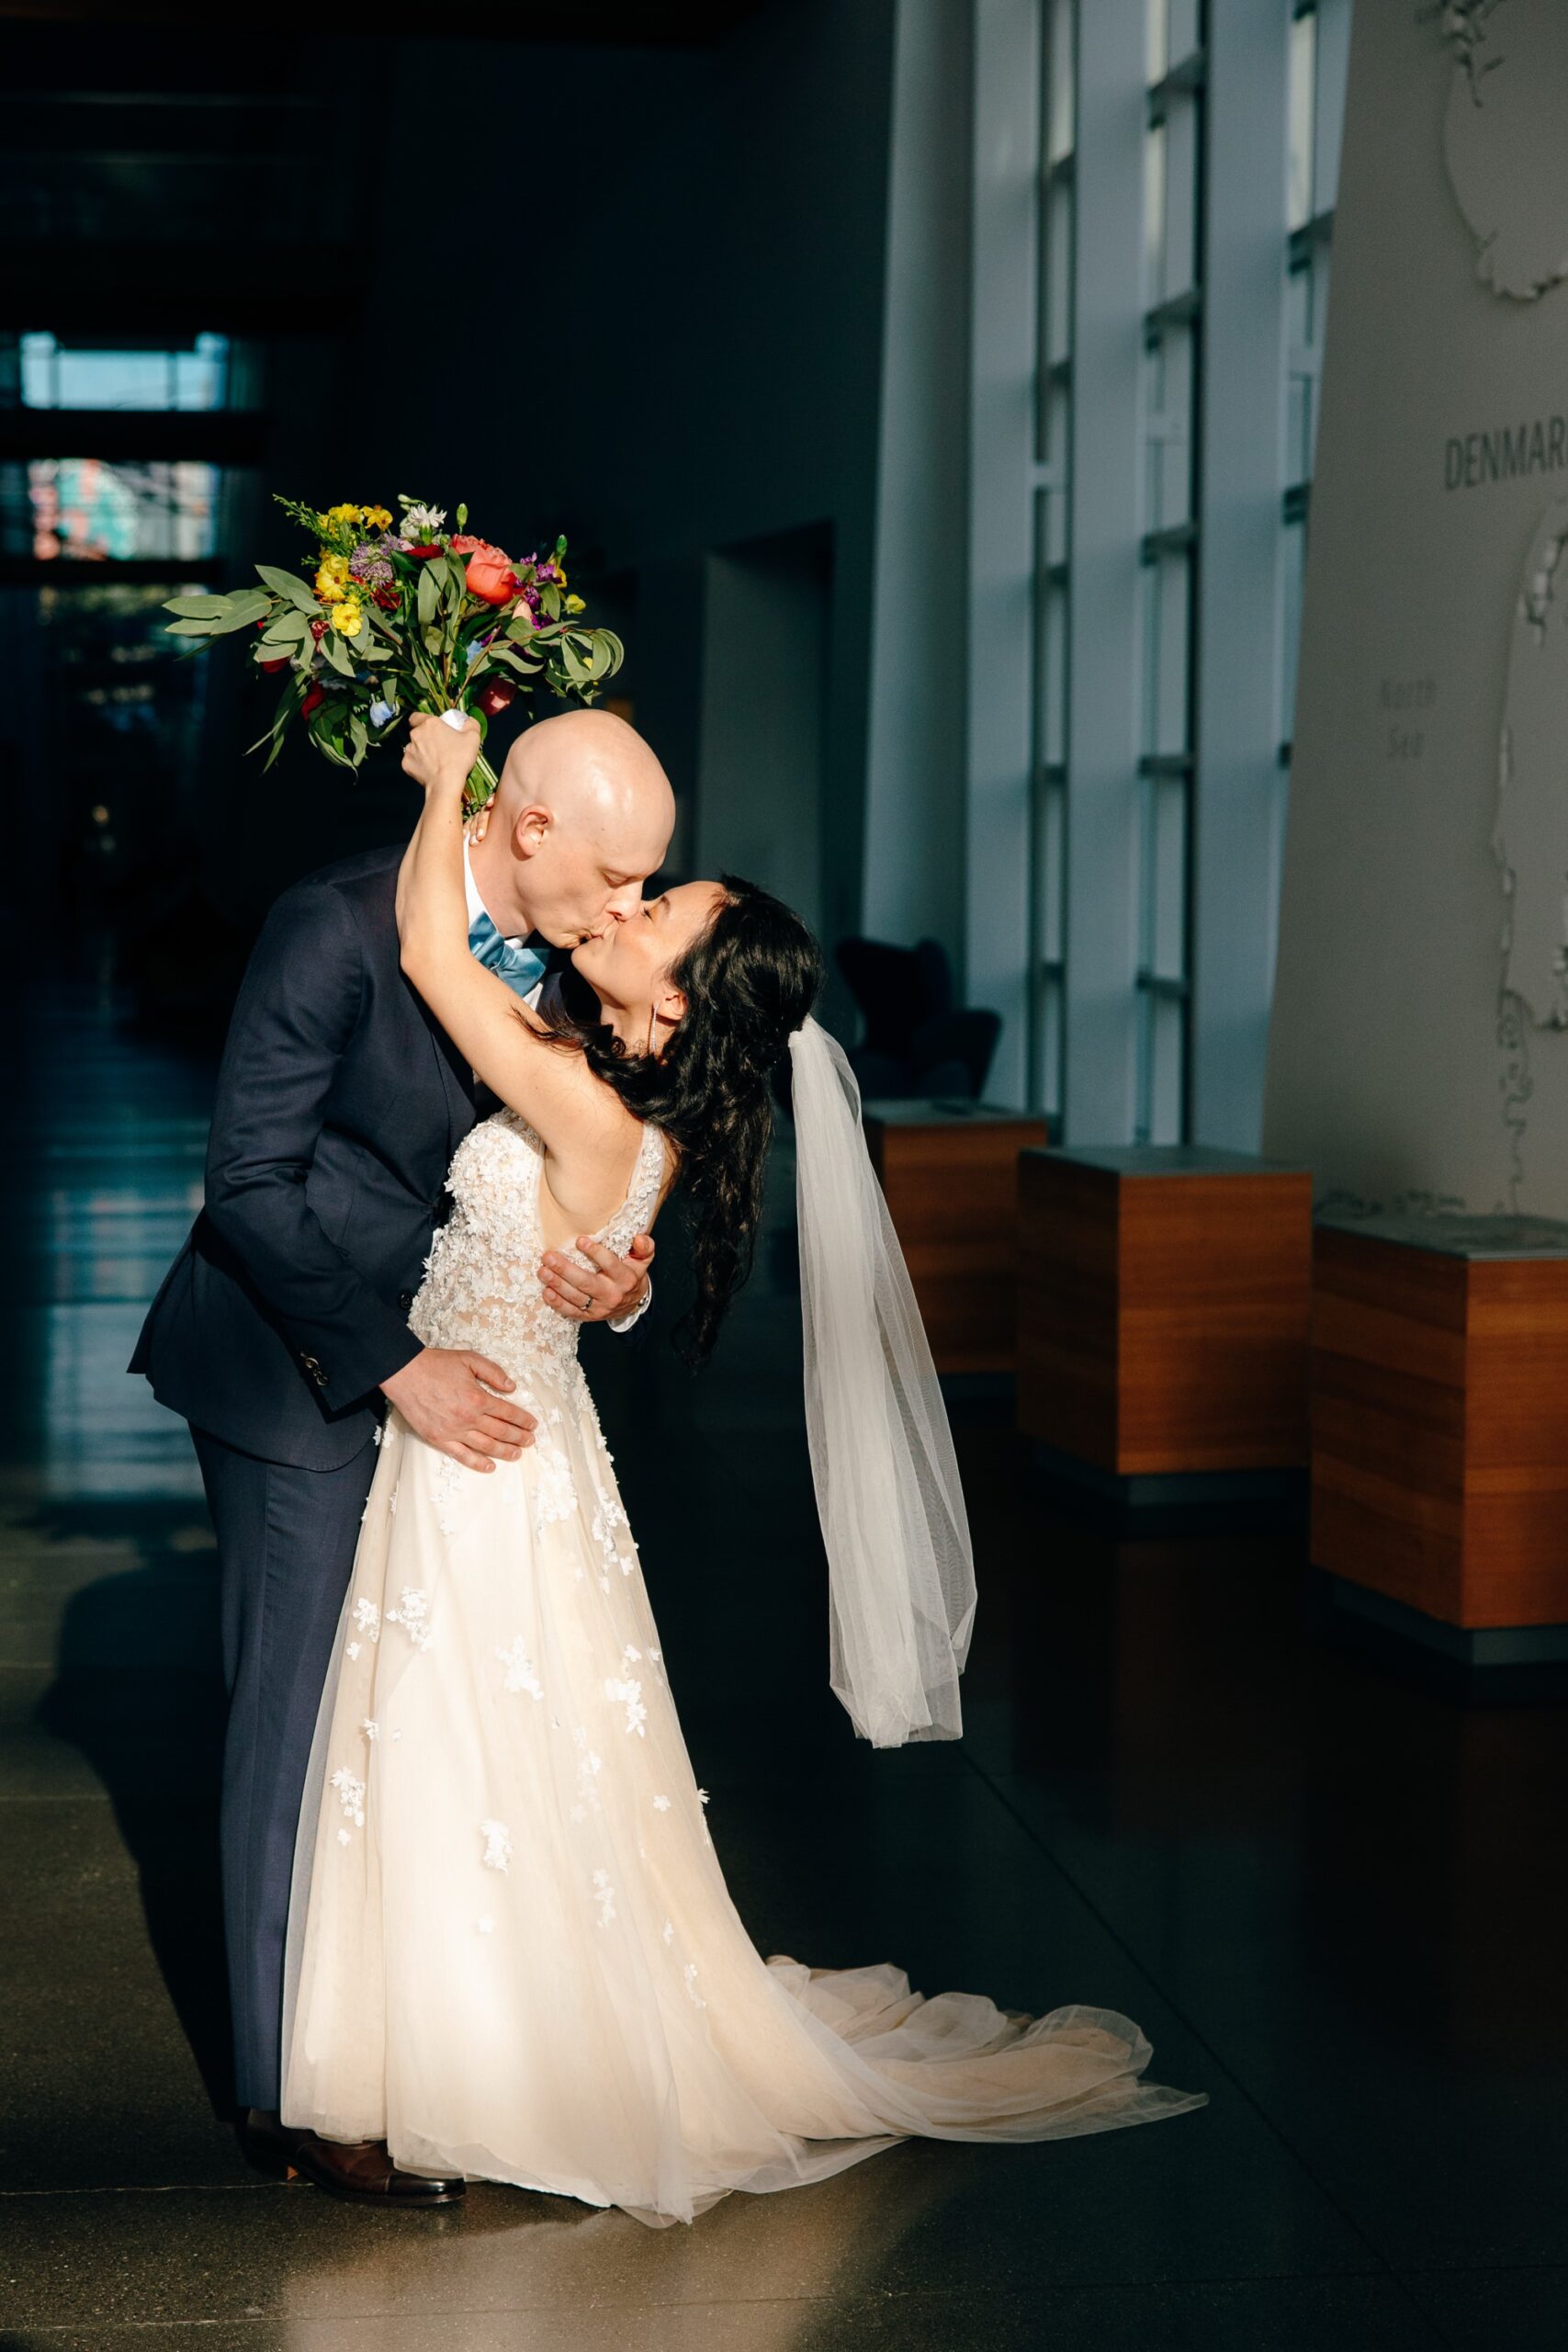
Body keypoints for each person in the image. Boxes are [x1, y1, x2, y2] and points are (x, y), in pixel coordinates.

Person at [277, 712, 1204, 2228]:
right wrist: (620, 1279)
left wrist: (450, 779)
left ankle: (481, 2059)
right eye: (648, 889)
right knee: (503, 1759)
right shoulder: (622, 1105)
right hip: (519, 1449)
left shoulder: (592, 1110)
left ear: (679, 1002)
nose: (631, 908)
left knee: (462, 1744)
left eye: (661, 915)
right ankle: (467, 2035)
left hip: (484, 1462)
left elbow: (440, 965)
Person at [130, 709, 677, 2203]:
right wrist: (392, 1364)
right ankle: (289, 2097)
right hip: (292, 1370)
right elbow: (247, 1179)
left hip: (467, 1372)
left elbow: (585, 1157)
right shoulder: (338, 924)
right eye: (619, 869)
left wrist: (612, 1272)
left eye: (652, 881)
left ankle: (417, 2038)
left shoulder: (575, 954)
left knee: (410, 1731)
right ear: (528, 825)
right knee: (298, 1722)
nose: (633, 904)